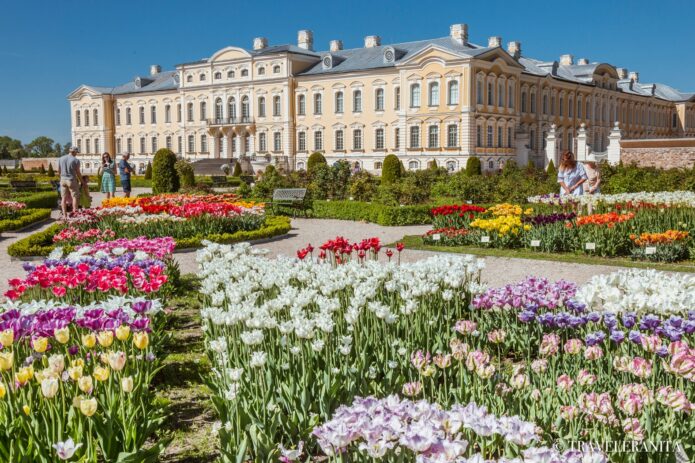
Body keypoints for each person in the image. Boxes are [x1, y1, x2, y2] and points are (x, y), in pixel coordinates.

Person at [57, 146, 88, 217]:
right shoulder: (76, 160)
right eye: (77, 152)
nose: (76, 154)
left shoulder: (61, 158)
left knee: (63, 198)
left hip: (63, 180)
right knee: (75, 197)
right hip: (71, 180)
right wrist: (82, 182)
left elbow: (58, 171)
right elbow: (78, 173)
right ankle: (74, 214)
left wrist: (61, 178)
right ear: (75, 152)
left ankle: (64, 215)